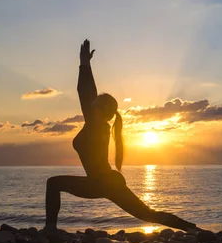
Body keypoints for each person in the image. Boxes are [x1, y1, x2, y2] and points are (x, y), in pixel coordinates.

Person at [43, 39, 198, 233]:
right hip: (102, 182)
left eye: (94, 104)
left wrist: (84, 64)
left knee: (54, 183)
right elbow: (87, 94)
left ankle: (50, 229)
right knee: (146, 214)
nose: (89, 104)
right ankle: (193, 229)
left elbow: (85, 91)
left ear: (99, 110)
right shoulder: (99, 124)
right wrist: (85, 64)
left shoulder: (97, 125)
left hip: (101, 182)